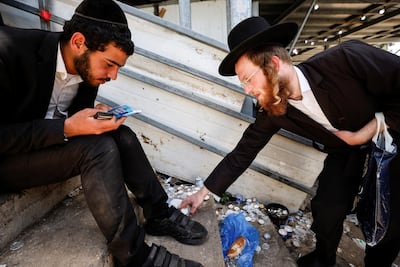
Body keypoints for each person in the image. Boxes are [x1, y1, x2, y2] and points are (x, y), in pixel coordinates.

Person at [0, 0, 207, 266]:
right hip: (8, 161)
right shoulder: (10, 50)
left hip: (46, 147)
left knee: (122, 136)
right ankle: (136, 258)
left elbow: (71, 114)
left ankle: (158, 213)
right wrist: (66, 127)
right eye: (109, 64)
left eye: (118, 67)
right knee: (97, 149)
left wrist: (92, 116)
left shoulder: (86, 70)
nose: (113, 76)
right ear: (78, 42)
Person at [181, 16, 400, 267]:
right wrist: (204, 192)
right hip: (345, 153)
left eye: (248, 79)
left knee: (390, 224)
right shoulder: (274, 111)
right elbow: (243, 153)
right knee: (326, 212)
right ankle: (323, 258)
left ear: (274, 64)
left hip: (392, 139)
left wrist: (366, 131)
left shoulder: (347, 58)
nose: (246, 90)